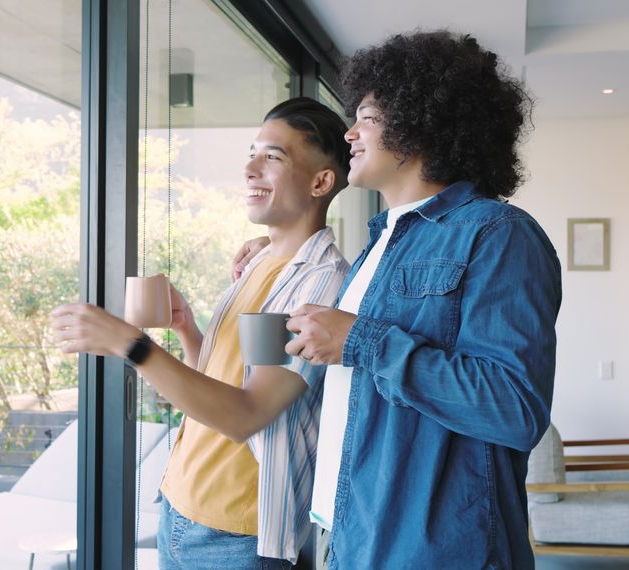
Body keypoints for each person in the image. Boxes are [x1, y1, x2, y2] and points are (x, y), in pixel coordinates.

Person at [234, 31, 562, 569]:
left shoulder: (498, 234)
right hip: (352, 535)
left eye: (367, 117)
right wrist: (270, 254)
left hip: (432, 552)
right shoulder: (378, 243)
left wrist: (362, 341)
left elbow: (515, 408)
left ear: (420, 122)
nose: (350, 134)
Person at [50, 97, 352, 568]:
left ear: (321, 181)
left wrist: (131, 345)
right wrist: (188, 330)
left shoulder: (320, 284)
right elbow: (231, 388)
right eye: (252, 152)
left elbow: (246, 415)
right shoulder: (260, 261)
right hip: (180, 507)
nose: (250, 168)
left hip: (235, 535)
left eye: (273, 156)